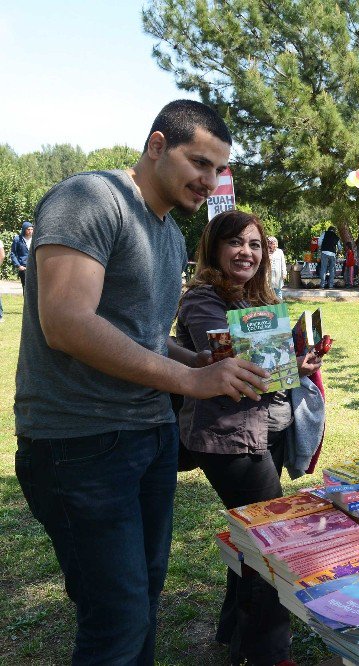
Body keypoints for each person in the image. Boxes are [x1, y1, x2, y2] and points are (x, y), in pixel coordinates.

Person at [14, 99, 269, 665]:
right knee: (117, 619)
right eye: (198, 162)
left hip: (148, 437)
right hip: (78, 445)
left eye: (218, 169)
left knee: (144, 599)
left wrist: (198, 364)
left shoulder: (170, 234)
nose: (208, 180)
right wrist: (188, 378)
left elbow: (144, 336)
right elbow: (67, 322)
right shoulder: (90, 199)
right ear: (157, 145)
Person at [175, 210, 321, 666]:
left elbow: (266, 364)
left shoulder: (257, 295)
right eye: (236, 243)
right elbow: (235, 365)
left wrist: (298, 354)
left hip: (264, 430)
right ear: (215, 248)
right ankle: (268, 654)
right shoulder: (202, 299)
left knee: (251, 535)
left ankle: (235, 632)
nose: (247, 252)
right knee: (272, 540)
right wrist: (287, 365)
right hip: (231, 438)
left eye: (255, 244)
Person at [10, 221, 33, 285]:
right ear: (24, 229)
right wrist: (18, 266)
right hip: (24, 267)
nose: (30, 231)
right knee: (25, 286)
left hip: (34, 266)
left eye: (32, 229)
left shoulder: (34, 239)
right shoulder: (18, 239)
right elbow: (13, 253)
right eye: (28, 229)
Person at [267, 235, 287, 300]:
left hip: (278, 276)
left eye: (272, 243)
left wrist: (284, 273)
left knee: (278, 292)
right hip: (268, 276)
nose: (270, 245)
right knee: (269, 293)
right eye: (269, 243)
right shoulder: (266, 252)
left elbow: (283, 263)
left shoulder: (280, 252)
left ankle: (280, 305)